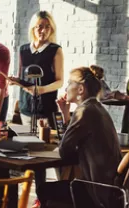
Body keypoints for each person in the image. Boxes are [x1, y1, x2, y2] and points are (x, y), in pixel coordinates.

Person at [37, 67, 122, 208]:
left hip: (95, 191)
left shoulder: (84, 111)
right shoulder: (96, 108)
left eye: (70, 83)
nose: (66, 88)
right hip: (110, 188)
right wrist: (65, 114)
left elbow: (64, 150)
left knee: (44, 189)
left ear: (81, 89)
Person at [8, 11, 63, 208]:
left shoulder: (55, 50)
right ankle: (35, 196)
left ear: (51, 29)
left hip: (45, 107)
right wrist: (17, 83)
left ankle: (46, 198)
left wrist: (40, 89)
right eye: (40, 26)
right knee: (30, 152)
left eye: (47, 27)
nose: (43, 30)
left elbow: (59, 81)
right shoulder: (23, 49)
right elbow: (24, 77)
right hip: (25, 107)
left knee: (43, 154)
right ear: (33, 27)